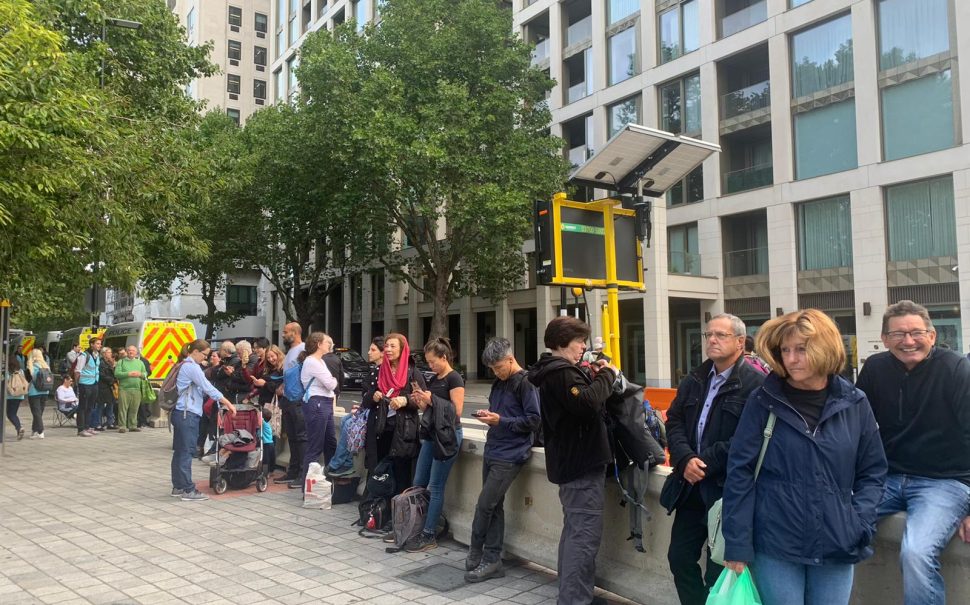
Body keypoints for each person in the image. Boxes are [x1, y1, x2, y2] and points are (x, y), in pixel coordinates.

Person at [722, 309, 887, 605]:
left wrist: (858, 522)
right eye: (785, 350)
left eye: (801, 349)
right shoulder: (763, 401)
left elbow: (873, 472)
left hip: (837, 541)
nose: (791, 359)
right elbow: (740, 473)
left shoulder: (854, 403)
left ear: (825, 348)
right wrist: (737, 543)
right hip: (775, 543)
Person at [855, 300, 970, 605]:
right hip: (888, 477)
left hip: (944, 482)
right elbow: (855, 428)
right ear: (884, 339)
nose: (908, 341)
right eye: (898, 334)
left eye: (917, 332)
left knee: (917, 553)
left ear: (932, 336)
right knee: (838, 526)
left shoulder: (957, 368)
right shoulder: (876, 368)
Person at [663, 314, 766, 605]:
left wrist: (702, 462)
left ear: (740, 342)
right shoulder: (695, 378)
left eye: (720, 335)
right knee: (679, 558)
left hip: (726, 491)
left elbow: (749, 440)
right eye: (709, 334)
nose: (712, 340)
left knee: (718, 569)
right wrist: (684, 459)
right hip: (690, 487)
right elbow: (675, 420)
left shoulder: (755, 384)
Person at [528, 316, 617, 605]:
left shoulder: (552, 371)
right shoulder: (561, 373)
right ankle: (575, 599)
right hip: (581, 465)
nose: (583, 346)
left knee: (573, 531)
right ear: (564, 341)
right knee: (583, 536)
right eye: (580, 341)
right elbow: (587, 404)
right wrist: (607, 375)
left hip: (569, 463)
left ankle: (573, 593)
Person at [466, 337, 540, 582]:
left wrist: (501, 421)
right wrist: (489, 417)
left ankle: (481, 552)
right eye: (492, 369)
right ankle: (492, 558)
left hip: (512, 453)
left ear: (510, 359)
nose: (496, 373)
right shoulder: (499, 384)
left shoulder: (526, 383)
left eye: (499, 367)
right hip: (494, 448)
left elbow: (533, 421)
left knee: (485, 504)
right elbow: (502, 412)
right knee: (494, 505)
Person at [406, 338, 466, 553]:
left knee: (436, 485)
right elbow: (431, 408)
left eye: (433, 362)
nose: (430, 366)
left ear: (444, 357)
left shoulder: (454, 378)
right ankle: (414, 525)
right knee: (419, 481)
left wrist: (432, 401)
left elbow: (456, 411)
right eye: (428, 363)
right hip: (432, 435)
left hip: (447, 436)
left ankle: (429, 533)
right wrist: (421, 401)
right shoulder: (434, 378)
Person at [361, 333, 427, 499]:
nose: (388, 350)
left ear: (402, 349)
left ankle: (398, 512)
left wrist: (405, 400)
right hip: (380, 429)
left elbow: (423, 401)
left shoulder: (412, 373)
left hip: (403, 431)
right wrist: (373, 396)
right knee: (379, 469)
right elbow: (365, 399)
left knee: (401, 472)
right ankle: (377, 509)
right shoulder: (378, 372)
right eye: (386, 346)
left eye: (392, 346)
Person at [171, 339, 237, 501]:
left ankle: (178, 486)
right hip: (188, 414)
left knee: (180, 451)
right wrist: (228, 403)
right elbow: (208, 388)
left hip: (180, 412)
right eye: (204, 355)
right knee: (186, 452)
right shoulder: (192, 367)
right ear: (195, 351)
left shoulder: (183, 365)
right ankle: (187, 490)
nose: (205, 359)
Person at [326, 337, 384, 477]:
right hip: (365, 408)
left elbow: (373, 394)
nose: (369, 352)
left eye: (373, 349)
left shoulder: (383, 372)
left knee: (350, 424)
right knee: (346, 420)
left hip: (375, 413)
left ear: (382, 353)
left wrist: (365, 403)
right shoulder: (374, 369)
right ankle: (345, 462)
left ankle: (336, 463)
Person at [299, 332, 339, 491]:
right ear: (318, 344)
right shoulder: (312, 362)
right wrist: (334, 380)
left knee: (330, 443)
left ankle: (329, 482)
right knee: (315, 447)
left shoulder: (319, 361)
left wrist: (332, 381)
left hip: (324, 403)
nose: (329, 344)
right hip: (318, 404)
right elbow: (331, 384)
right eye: (326, 342)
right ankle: (307, 488)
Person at [275, 322, 308, 486]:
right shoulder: (290, 353)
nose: (283, 335)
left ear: (295, 333)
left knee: (301, 437)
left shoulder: (303, 350)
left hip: (298, 401)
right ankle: (293, 471)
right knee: (293, 438)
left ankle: (303, 474)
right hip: (288, 399)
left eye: (285, 332)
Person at [115, 345, 147, 433]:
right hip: (124, 389)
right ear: (126, 352)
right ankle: (122, 426)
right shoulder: (121, 362)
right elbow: (117, 374)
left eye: (133, 351)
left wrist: (140, 375)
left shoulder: (140, 363)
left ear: (136, 352)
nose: (131, 352)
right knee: (122, 408)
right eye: (129, 350)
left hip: (137, 389)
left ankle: (133, 425)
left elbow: (145, 373)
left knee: (134, 408)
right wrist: (128, 374)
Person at [73, 339, 101, 437]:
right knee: (82, 407)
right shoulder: (84, 355)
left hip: (94, 383)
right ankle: (81, 429)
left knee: (90, 407)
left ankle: (87, 427)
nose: (99, 345)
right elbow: (77, 371)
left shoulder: (97, 356)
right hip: (84, 384)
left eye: (100, 344)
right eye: (97, 344)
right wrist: (77, 384)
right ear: (91, 344)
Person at [26, 349, 51, 439]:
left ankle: (40, 431)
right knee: (39, 412)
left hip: (34, 392)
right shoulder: (46, 366)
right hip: (45, 391)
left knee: (36, 412)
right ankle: (34, 430)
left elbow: (28, 380)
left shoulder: (30, 366)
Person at [93, 346, 118, 431]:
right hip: (103, 387)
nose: (111, 354)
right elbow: (101, 375)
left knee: (110, 404)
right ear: (104, 354)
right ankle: (97, 424)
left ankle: (110, 423)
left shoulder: (109, 362)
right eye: (109, 352)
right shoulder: (101, 363)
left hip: (109, 387)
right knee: (100, 406)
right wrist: (111, 380)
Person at [5, 357, 27, 440]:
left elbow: (5, 383)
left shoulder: (7, 372)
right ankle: (19, 429)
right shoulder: (20, 371)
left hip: (9, 396)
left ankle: (19, 427)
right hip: (20, 395)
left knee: (10, 414)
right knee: (13, 413)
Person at [262, 406, 276, 475]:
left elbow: (259, 419)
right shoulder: (268, 424)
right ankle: (271, 471)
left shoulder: (263, 424)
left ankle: (266, 473)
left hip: (266, 444)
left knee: (266, 458)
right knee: (271, 457)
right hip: (271, 443)